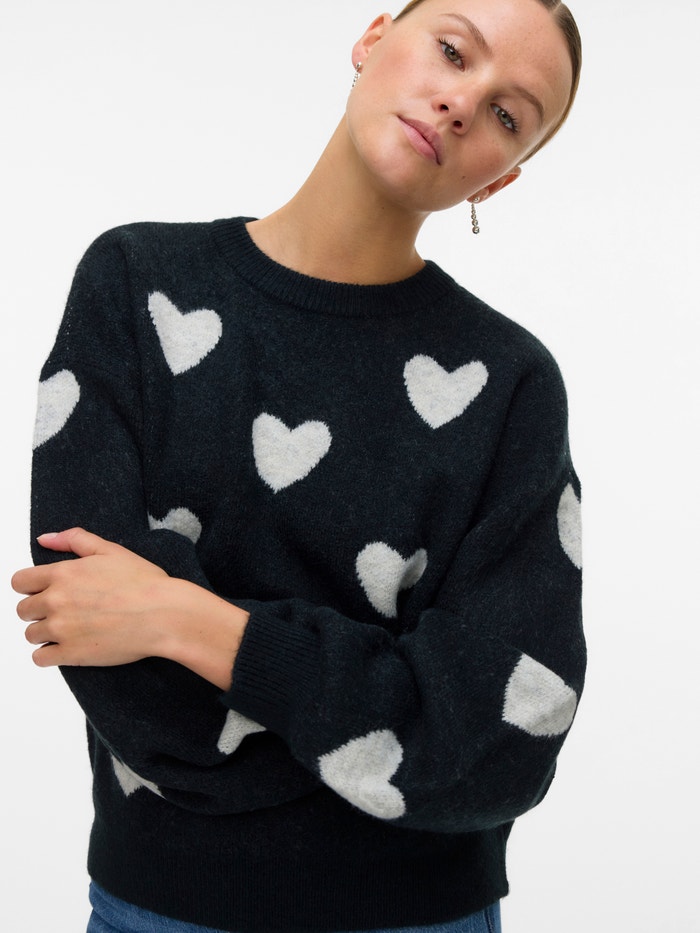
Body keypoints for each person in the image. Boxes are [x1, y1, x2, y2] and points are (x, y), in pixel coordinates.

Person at [11, 0, 586, 930]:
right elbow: (92, 632)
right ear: (372, 38)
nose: (461, 104)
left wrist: (188, 619)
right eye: (452, 50)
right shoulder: (136, 285)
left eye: (508, 115)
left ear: (503, 177)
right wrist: (388, 733)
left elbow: (501, 742)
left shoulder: (511, 385)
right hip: (158, 910)